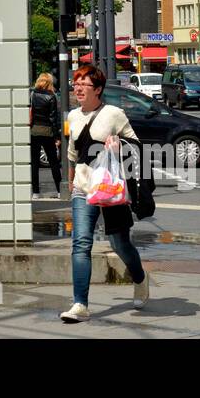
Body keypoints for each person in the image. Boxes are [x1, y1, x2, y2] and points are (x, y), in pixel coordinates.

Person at [60, 64, 149, 324]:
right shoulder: (73, 116)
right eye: (75, 83)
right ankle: (80, 304)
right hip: (83, 187)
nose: (77, 88)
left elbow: (137, 147)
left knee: (119, 243)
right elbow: (73, 153)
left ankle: (140, 278)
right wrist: (71, 179)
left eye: (83, 84)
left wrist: (120, 144)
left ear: (97, 89)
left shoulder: (114, 114)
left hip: (110, 187)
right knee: (80, 243)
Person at [28, 72, 62, 199]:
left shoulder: (33, 94)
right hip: (47, 131)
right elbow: (53, 118)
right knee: (53, 162)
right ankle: (59, 190)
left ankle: (36, 192)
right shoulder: (52, 97)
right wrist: (56, 137)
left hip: (34, 131)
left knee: (34, 163)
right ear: (49, 82)